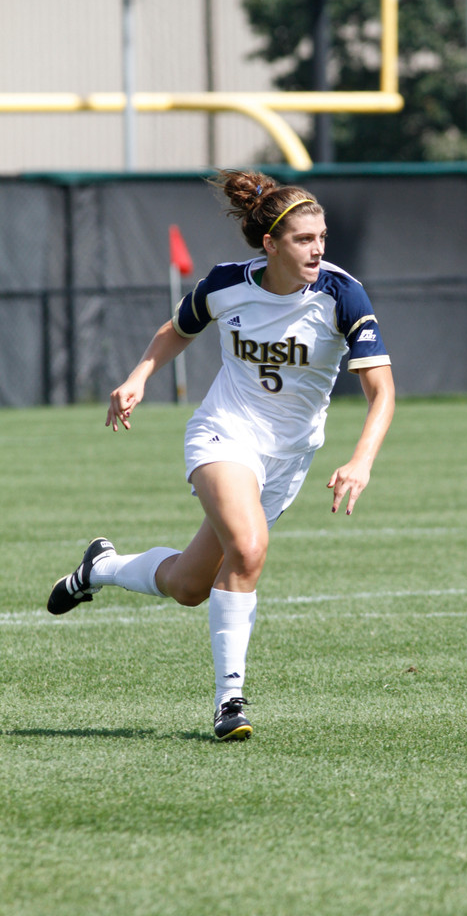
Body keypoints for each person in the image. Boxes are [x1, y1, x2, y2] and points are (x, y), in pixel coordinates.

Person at [47, 170, 395, 741]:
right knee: (250, 547)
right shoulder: (226, 284)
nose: (318, 249)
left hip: (288, 459)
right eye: (305, 240)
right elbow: (176, 329)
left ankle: (99, 567)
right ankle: (229, 702)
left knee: (188, 585)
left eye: (322, 237)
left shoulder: (341, 293)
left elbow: (381, 390)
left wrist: (361, 460)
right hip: (224, 435)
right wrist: (139, 377)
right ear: (271, 245)